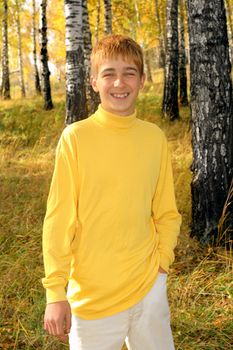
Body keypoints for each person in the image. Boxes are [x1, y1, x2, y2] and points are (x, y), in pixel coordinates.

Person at [42, 34, 182, 350]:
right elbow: (59, 219)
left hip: (148, 289)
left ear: (142, 80)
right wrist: (55, 292)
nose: (119, 82)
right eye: (108, 73)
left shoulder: (154, 138)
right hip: (93, 299)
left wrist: (161, 267)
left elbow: (166, 212)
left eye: (129, 73)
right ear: (94, 81)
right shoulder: (76, 139)